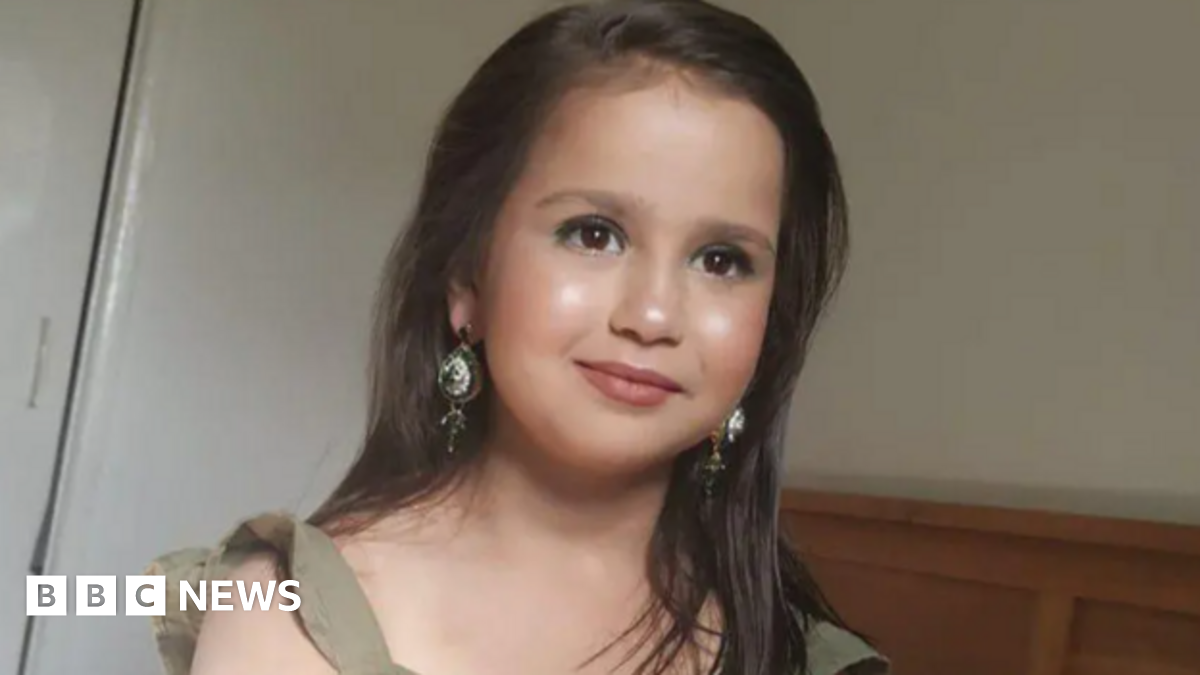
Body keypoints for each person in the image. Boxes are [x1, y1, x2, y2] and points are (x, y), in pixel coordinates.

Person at [147, 0, 888, 673]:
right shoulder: (292, 617)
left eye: (722, 259)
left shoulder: (803, 654)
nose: (654, 315)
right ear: (468, 278)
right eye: (593, 234)